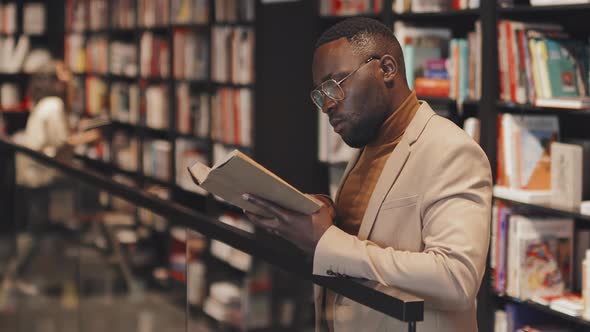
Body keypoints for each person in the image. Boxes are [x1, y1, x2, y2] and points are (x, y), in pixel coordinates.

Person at [243, 17, 492, 332]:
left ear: (387, 69)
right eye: (320, 94)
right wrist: (328, 215)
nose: (327, 105)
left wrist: (325, 239)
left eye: (335, 85)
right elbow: (371, 234)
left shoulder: (451, 149)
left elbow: (457, 278)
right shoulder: (369, 142)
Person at [13, 60, 102, 187]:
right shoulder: (54, 104)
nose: (68, 75)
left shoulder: (46, 102)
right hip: (44, 169)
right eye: (63, 71)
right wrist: (90, 136)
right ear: (53, 78)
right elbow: (64, 140)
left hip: (38, 166)